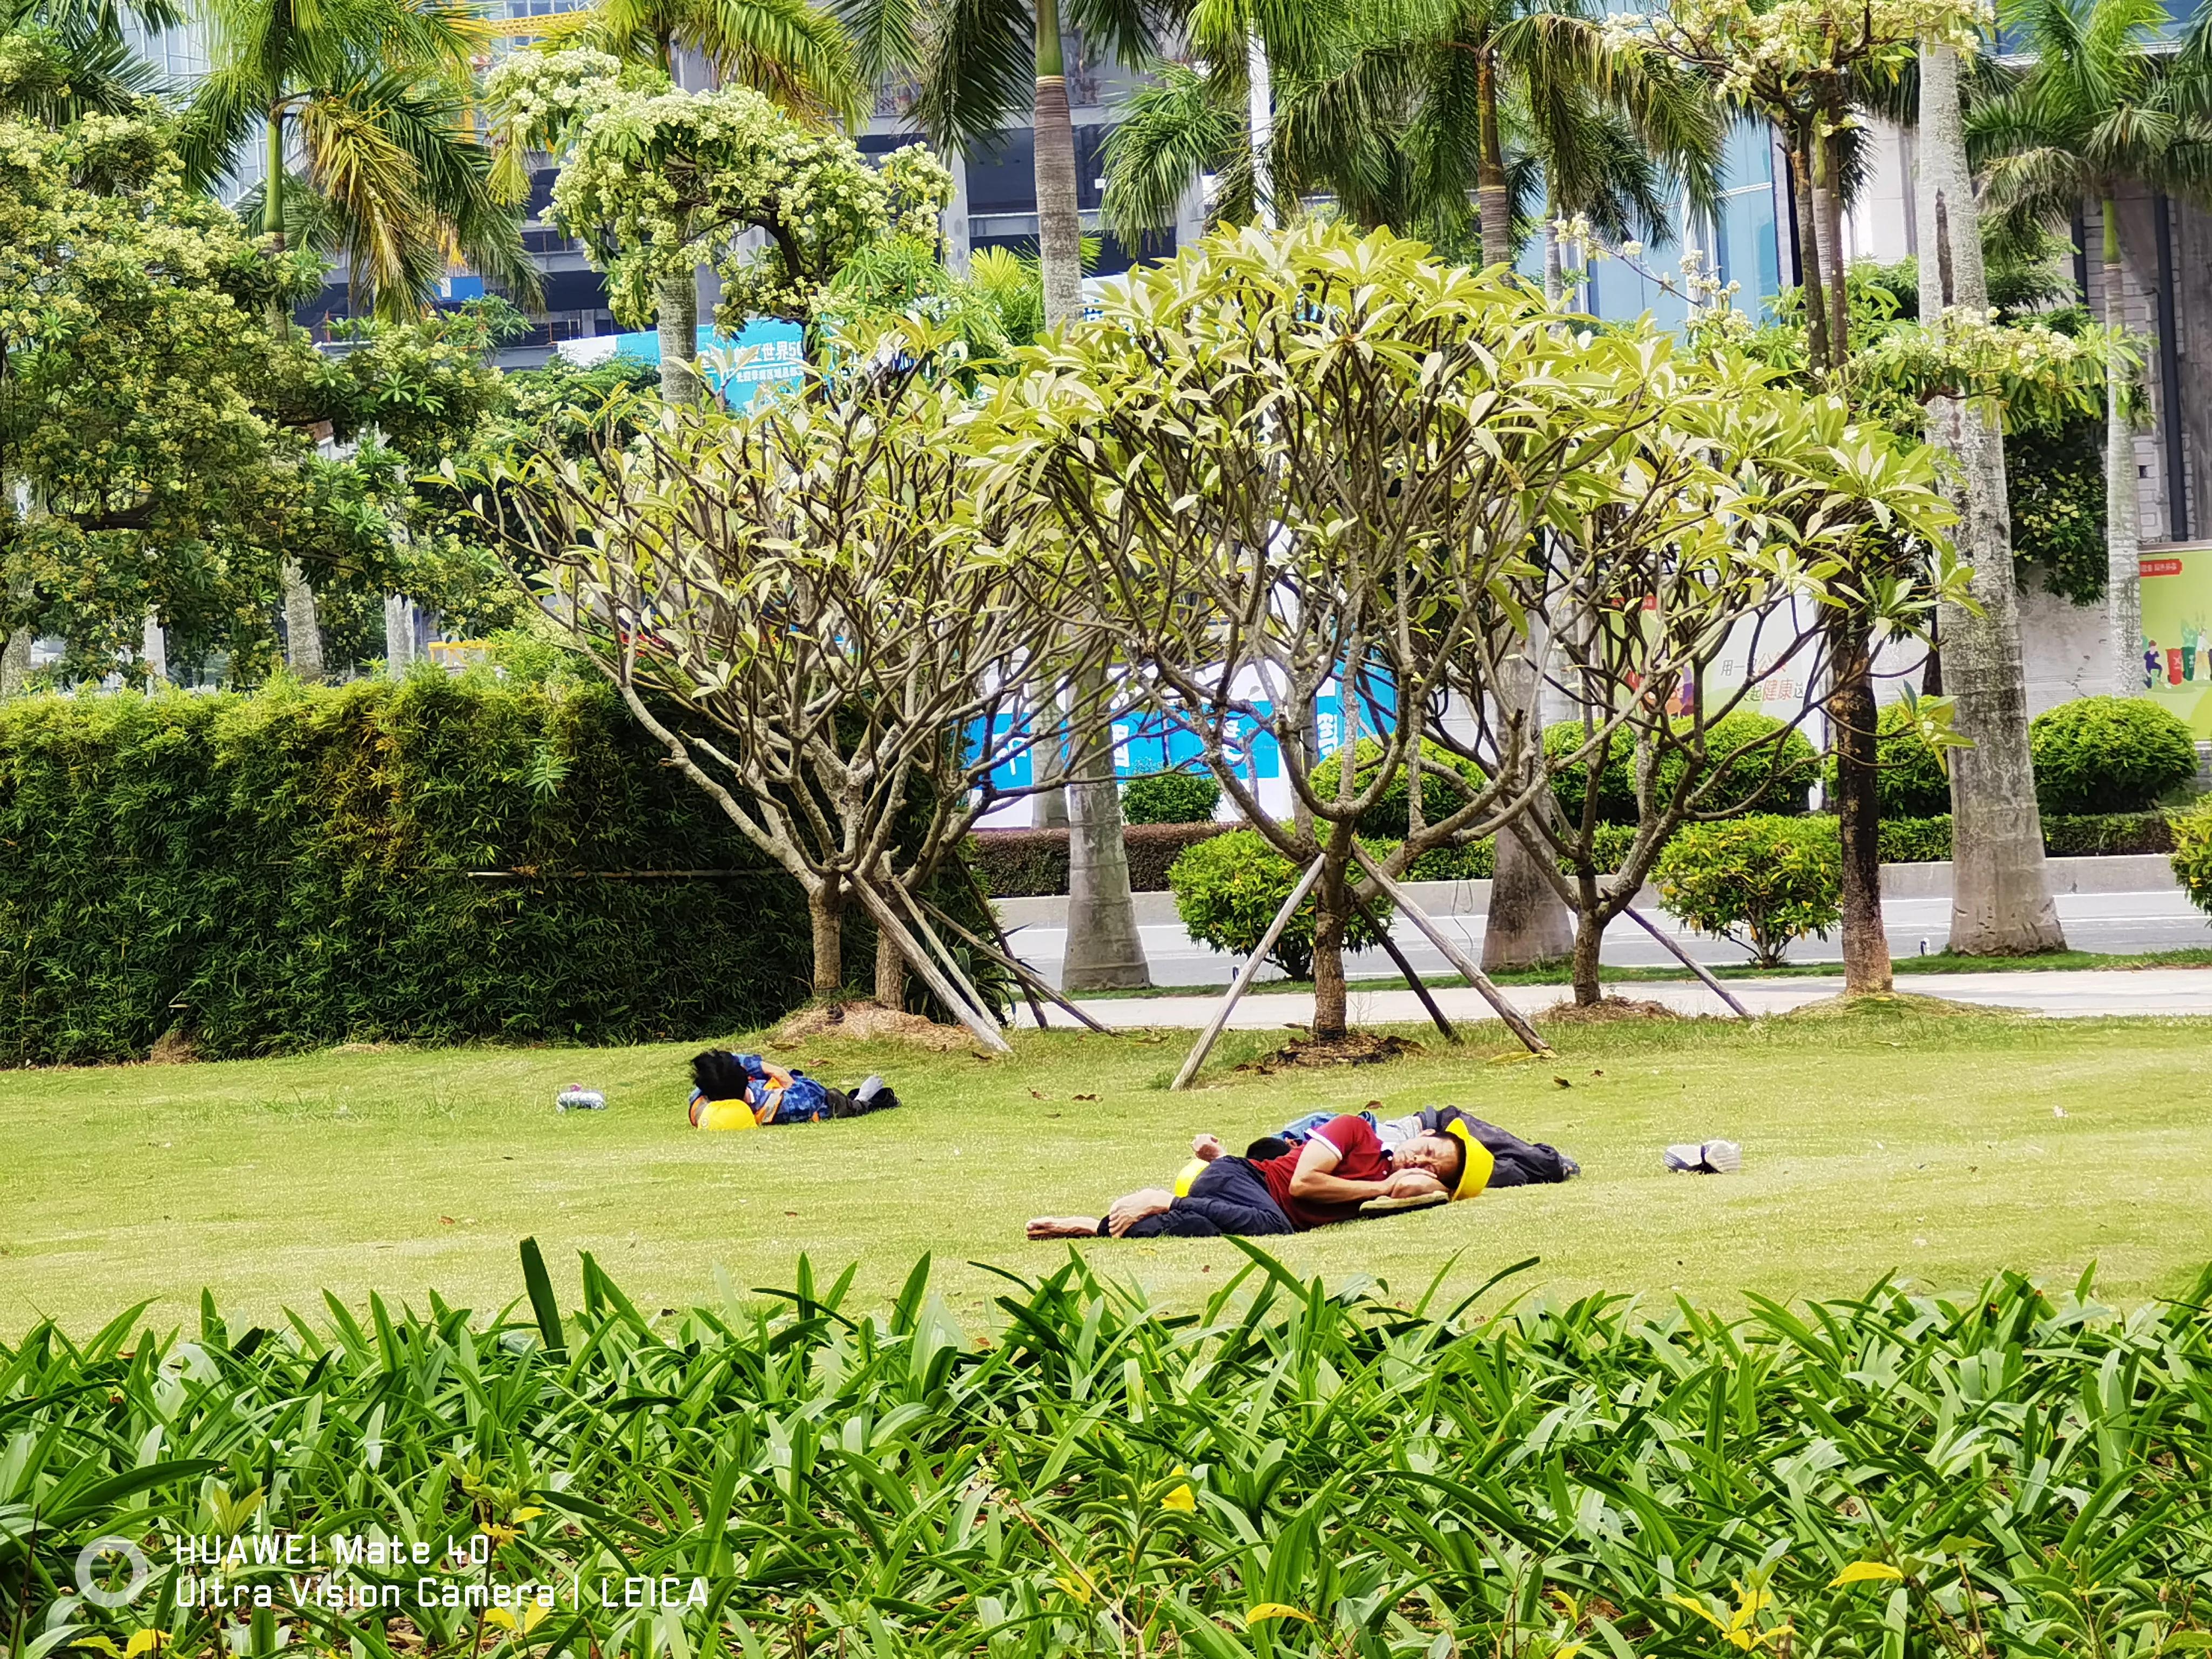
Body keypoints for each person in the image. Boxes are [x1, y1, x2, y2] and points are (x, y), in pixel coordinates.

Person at [1025, 1112, 1485, 1240]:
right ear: (1421, 1133)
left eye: (1432, 1169)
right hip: (1241, 1180)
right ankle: (1162, 1198)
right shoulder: (1355, 1130)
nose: (1419, 1164)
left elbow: (1425, 1197)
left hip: (1234, 1210)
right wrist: (1384, 1186)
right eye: (1425, 1151)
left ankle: (1096, 1226)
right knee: (1273, 1228)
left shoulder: (1402, 1190)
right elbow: (1304, 1185)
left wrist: (1432, 1187)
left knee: (1197, 1231)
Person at [688, 1050, 899, 1129]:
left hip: (763, 1087)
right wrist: (779, 1074)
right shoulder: (779, 1107)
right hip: (829, 1103)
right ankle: (865, 1097)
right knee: (853, 1100)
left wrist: (762, 1070)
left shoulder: (702, 1099)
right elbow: (813, 1092)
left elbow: (731, 1063)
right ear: (745, 1077)